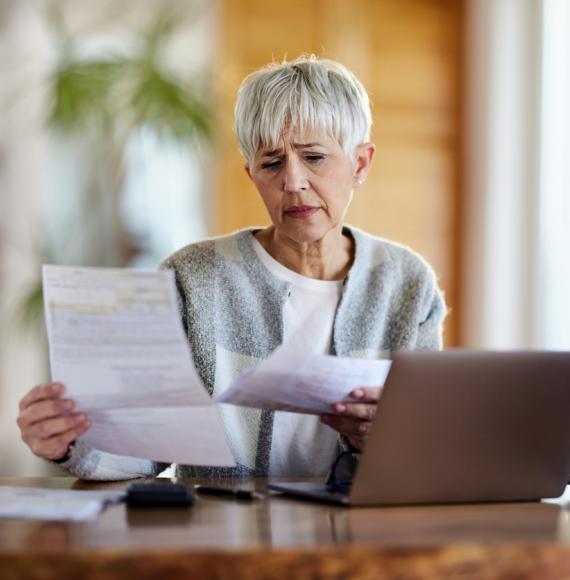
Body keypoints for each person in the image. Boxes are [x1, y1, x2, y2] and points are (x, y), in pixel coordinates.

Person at [16, 55, 446, 480]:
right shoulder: (192, 277)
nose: (292, 182)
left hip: (359, 535)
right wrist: (70, 443)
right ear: (251, 173)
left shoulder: (407, 283)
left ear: (361, 164)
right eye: (272, 163)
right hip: (223, 533)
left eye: (314, 157)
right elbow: (145, 448)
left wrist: (382, 440)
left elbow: (427, 452)